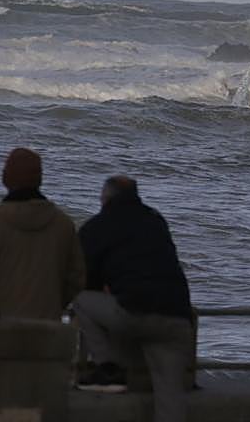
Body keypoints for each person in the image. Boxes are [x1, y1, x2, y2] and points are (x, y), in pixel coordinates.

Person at [73, 176, 194, 422]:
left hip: (134, 312)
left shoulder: (99, 225)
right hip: (178, 318)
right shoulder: (156, 220)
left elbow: (82, 277)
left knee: (81, 299)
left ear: (104, 198)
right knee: (171, 398)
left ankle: (107, 367)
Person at [0, 146, 84, 319]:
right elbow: (77, 278)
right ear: (40, 179)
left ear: (5, 178)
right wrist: (54, 304)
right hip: (48, 325)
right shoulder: (63, 224)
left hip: (1, 326)